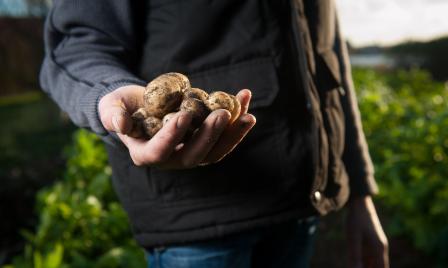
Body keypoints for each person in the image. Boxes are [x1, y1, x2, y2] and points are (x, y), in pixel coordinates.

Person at [40, 0, 389, 267]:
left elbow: (328, 57)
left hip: (299, 206)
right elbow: (76, 46)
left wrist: (360, 190)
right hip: (199, 223)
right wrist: (109, 97)